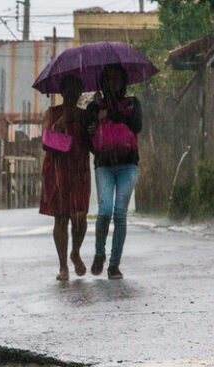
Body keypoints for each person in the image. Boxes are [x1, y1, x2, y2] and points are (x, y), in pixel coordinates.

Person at [85, 64, 142, 280]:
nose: (113, 83)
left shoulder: (132, 104)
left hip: (128, 165)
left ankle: (114, 264)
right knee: (105, 211)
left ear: (124, 82)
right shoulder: (94, 107)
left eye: (117, 79)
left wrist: (112, 112)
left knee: (120, 214)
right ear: (103, 82)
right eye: (108, 79)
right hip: (104, 165)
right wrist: (93, 120)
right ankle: (100, 253)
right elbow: (88, 134)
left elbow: (136, 125)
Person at [39, 75, 91, 281]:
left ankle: (75, 251)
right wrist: (60, 123)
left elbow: (93, 142)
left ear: (79, 93)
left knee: (80, 216)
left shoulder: (85, 115)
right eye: (67, 90)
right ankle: (63, 267)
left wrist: (95, 123)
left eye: (75, 90)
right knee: (61, 217)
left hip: (79, 169)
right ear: (62, 92)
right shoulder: (51, 113)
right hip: (57, 169)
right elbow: (46, 141)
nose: (71, 94)